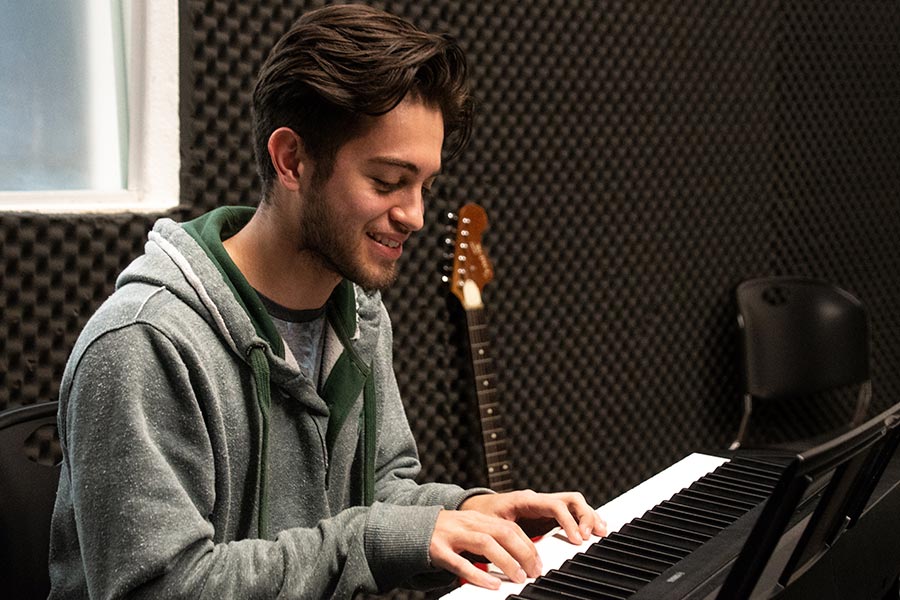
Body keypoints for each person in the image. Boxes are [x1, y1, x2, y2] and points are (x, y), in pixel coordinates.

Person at [48, 4, 605, 598]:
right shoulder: (144, 344)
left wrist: (472, 514)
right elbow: (159, 588)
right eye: (388, 182)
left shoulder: (359, 312)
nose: (415, 216)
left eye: (425, 186)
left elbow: (376, 493)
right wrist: (371, 539)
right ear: (291, 160)